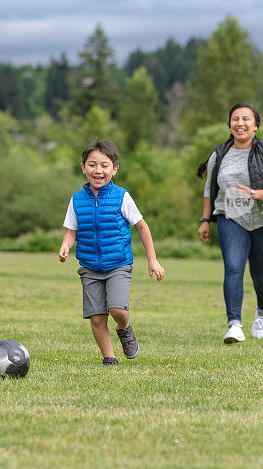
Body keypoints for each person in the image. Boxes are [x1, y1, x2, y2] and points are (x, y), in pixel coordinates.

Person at [58, 139, 165, 365]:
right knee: (97, 317)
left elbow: (142, 227)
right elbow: (71, 231)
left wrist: (152, 260)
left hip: (118, 263)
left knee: (117, 310)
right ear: (83, 168)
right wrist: (66, 245)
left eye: (104, 165)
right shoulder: (77, 200)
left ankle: (124, 328)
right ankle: (109, 358)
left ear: (114, 169)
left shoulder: (122, 197)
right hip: (89, 266)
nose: (98, 171)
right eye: (92, 165)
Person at [196, 102, 263, 344]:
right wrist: (205, 220)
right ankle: (234, 325)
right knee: (233, 268)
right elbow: (209, 189)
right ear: (230, 125)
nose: (240, 123)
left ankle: (262, 311)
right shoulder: (219, 154)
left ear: (255, 126)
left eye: (246, 119)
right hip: (231, 217)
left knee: (261, 276)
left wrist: (254, 194)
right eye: (235, 119)